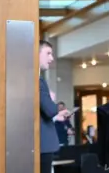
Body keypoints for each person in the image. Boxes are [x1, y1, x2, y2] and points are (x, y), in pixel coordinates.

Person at [39, 40, 70, 173]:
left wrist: (57, 114)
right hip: (42, 145)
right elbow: (49, 109)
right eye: (48, 53)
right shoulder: (37, 80)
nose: (51, 58)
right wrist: (55, 106)